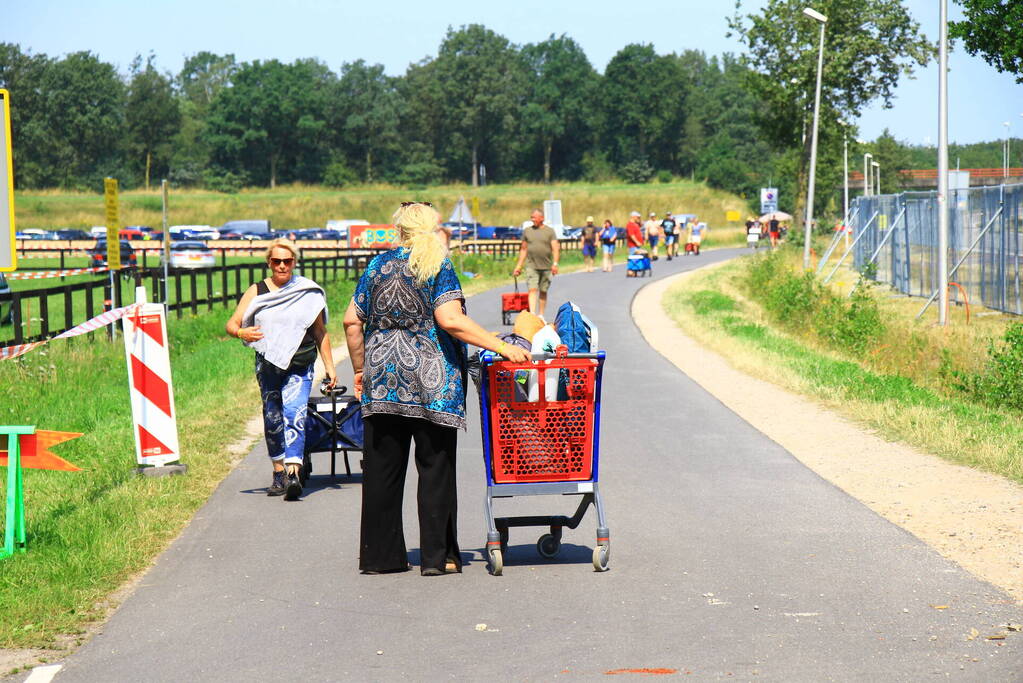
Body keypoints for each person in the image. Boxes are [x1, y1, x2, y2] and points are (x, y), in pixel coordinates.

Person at [343, 202, 528, 576]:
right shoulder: (437, 265)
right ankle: (437, 557)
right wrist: (503, 346)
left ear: (399, 230)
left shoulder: (378, 265)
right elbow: (450, 319)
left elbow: (351, 320)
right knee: (435, 468)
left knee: (382, 472)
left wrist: (361, 370)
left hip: (382, 381)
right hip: (433, 382)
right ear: (433, 229)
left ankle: (380, 558)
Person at [226, 238, 336, 501]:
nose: (282, 266)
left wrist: (330, 368)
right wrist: (242, 332)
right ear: (269, 262)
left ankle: (293, 472)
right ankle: (278, 472)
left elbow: (320, 331)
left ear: (294, 263)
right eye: (277, 261)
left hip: (300, 363)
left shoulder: (306, 291)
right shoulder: (257, 291)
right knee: (272, 416)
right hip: (268, 365)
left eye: (287, 261)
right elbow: (231, 324)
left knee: (294, 411)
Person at [512, 209, 560, 318]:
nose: (532, 219)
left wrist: (555, 264)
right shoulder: (527, 231)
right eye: (531, 217)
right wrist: (519, 266)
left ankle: (541, 314)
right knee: (532, 289)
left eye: (534, 217)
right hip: (531, 266)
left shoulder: (550, 231)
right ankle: (533, 314)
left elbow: (555, 248)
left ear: (541, 218)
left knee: (543, 290)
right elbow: (523, 249)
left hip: (547, 266)